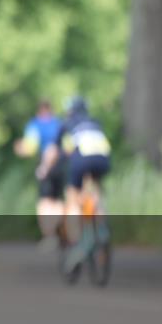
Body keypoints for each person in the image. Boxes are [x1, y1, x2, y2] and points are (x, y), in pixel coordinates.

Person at [56, 96, 111, 267]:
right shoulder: (95, 121)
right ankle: (102, 229)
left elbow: (60, 149)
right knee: (95, 191)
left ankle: (76, 240)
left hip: (81, 159)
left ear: (70, 110)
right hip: (103, 159)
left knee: (72, 196)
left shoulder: (67, 123)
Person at [16, 99, 64, 249]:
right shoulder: (59, 123)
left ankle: (50, 235)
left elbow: (29, 148)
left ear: (39, 111)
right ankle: (59, 228)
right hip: (62, 165)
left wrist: (20, 149)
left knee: (44, 202)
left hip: (46, 166)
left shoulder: (35, 125)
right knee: (57, 200)